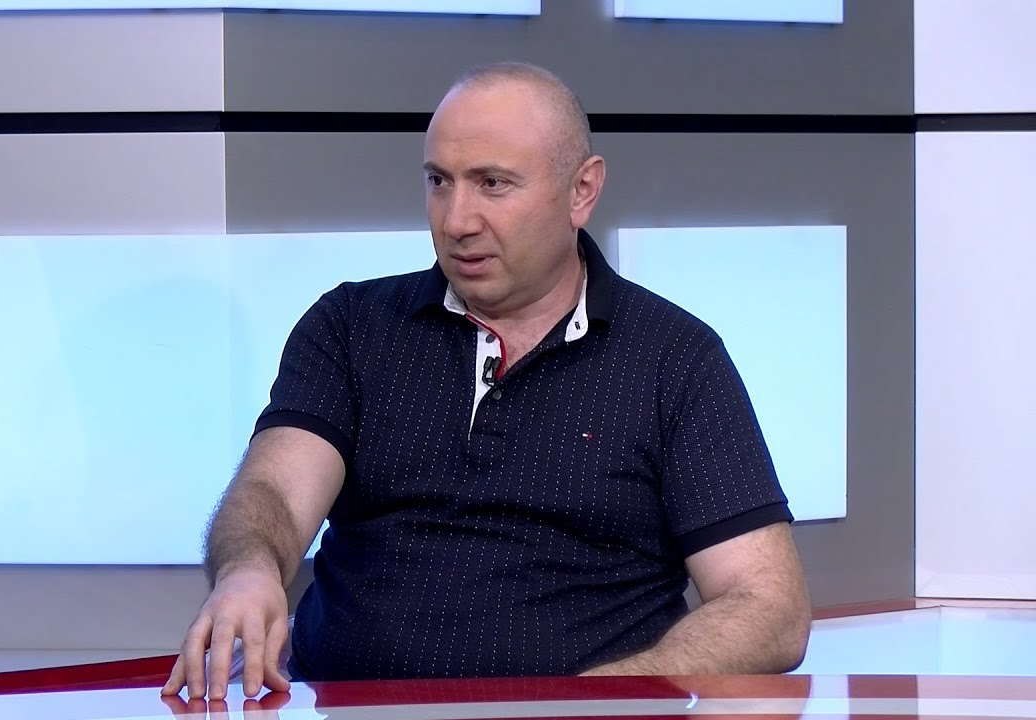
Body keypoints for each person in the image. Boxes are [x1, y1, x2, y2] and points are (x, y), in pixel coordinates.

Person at [161, 61, 811, 701]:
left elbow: (768, 607)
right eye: (439, 182)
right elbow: (274, 492)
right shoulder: (351, 326)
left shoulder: (675, 358)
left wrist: (606, 696)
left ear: (581, 191)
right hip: (352, 708)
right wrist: (249, 570)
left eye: (492, 184)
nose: (456, 220)